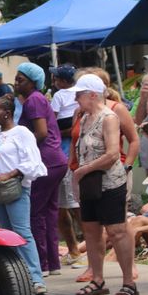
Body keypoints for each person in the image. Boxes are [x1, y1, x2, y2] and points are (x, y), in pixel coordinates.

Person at [71, 74, 139, 295]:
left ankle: (129, 282)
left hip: (110, 182)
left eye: (79, 94)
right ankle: (98, 279)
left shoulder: (109, 117)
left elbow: (111, 154)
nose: (76, 98)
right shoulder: (84, 116)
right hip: (90, 184)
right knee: (90, 231)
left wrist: (83, 170)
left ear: (92, 95)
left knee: (116, 231)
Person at [0, 95, 49, 295]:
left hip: (16, 188)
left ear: (7, 113)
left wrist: (10, 173)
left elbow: (33, 161)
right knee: (7, 233)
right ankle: (17, 277)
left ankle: (36, 278)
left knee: (22, 231)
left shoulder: (22, 132)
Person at [14, 62, 68, 276]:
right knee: (48, 213)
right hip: (56, 161)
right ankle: (53, 263)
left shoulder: (34, 100)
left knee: (34, 213)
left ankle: (42, 264)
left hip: (45, 161)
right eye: (17, 79)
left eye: (21, 80)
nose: (16, 83)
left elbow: (41, 133)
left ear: (33, 82)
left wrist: (22, 151)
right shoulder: (37, 99)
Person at [50, 64, 84, 265]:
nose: (54, 82)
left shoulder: (60, 95)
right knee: (74, 206)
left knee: (66, 206)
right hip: (76, 155)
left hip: (63, 155)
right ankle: (81, 249)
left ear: (63, 81)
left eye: (55, 78)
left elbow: (51, 125)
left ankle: (75, 250)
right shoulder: (80, 95)